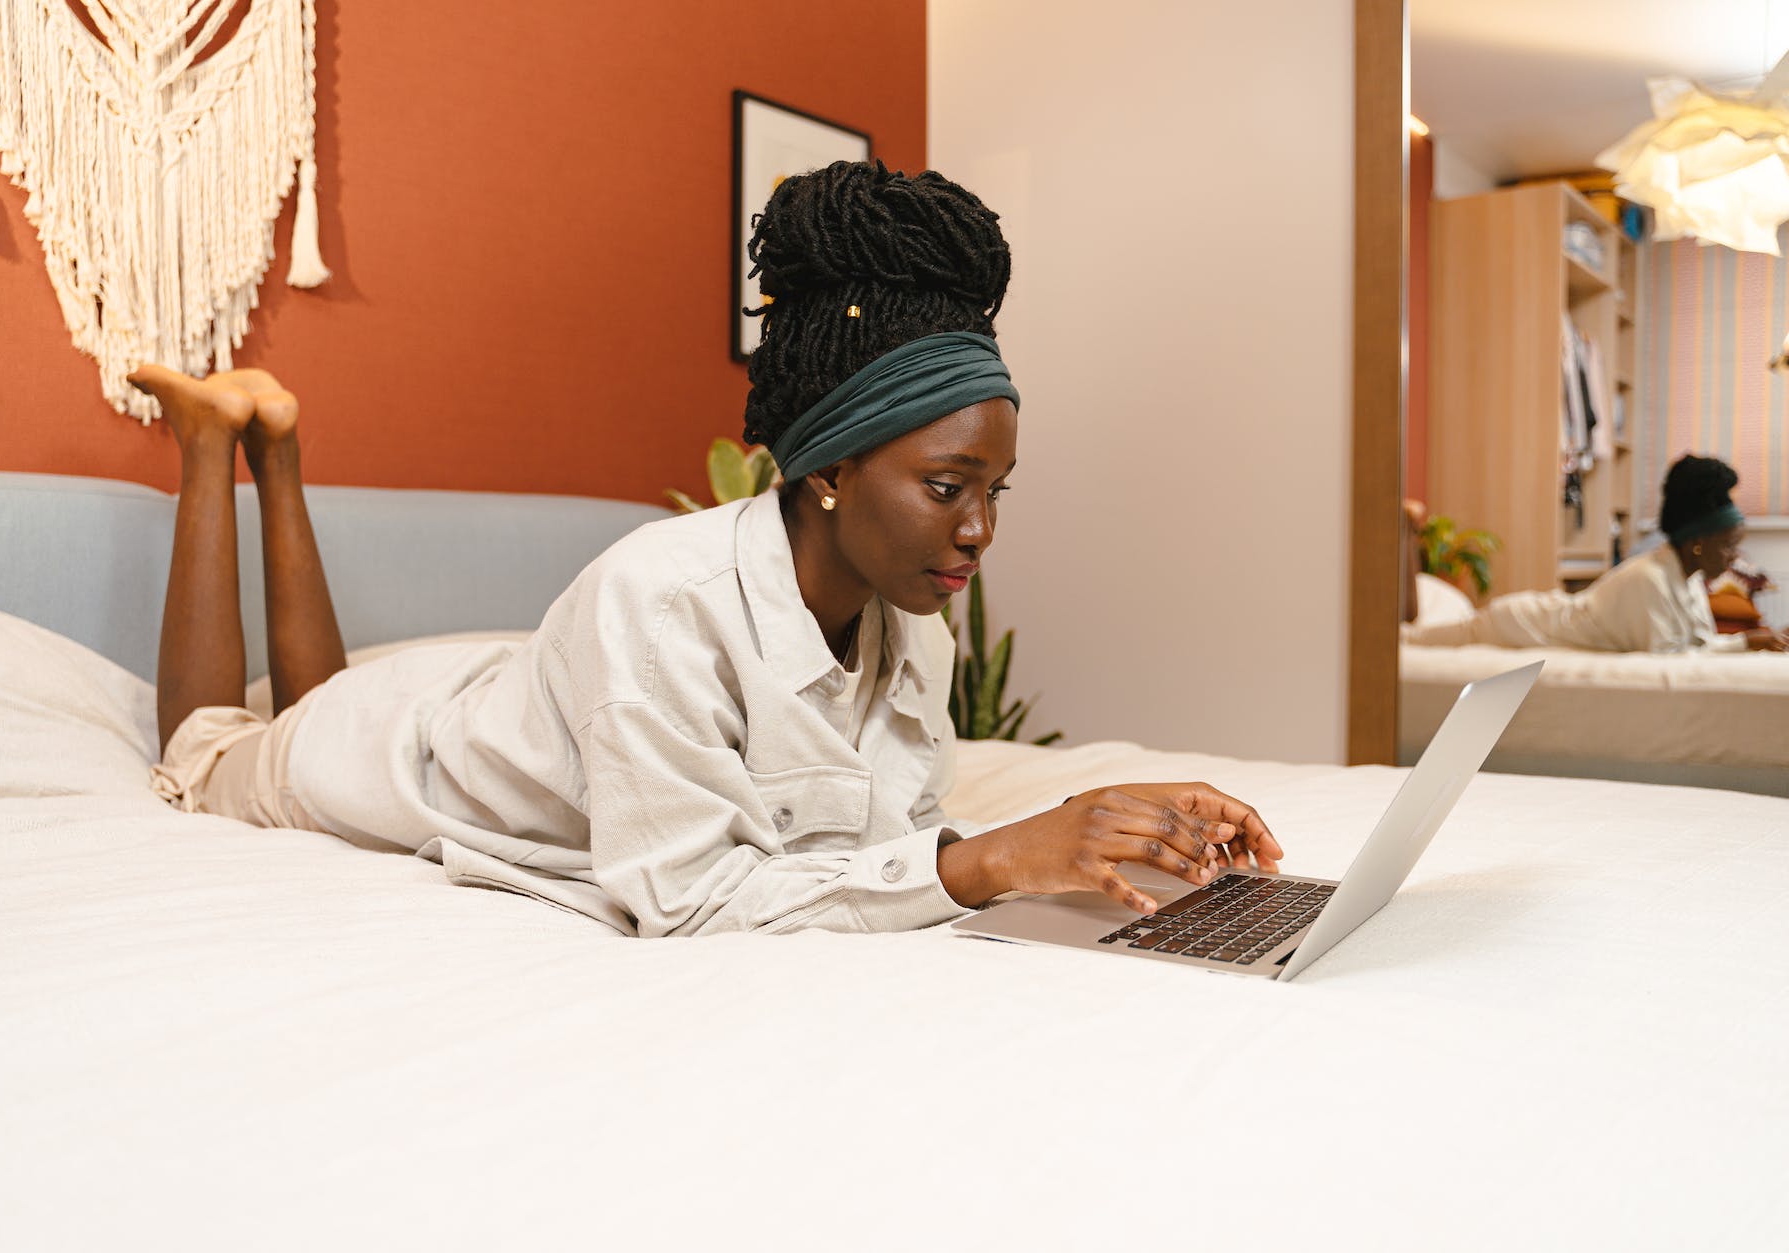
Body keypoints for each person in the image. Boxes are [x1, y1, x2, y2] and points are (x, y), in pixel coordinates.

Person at [142, 159, 1283, 938]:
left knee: (303, 691)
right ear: (829, 470)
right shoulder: (659, 597)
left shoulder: (908, 626)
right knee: (212, 745)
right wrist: (987, 859)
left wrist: (1093, 832)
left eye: (994, 491)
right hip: (384, 747)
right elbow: (686, 901)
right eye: (947, 487)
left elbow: (863, 853)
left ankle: (279, 450)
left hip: (489, 689)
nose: (977, 530)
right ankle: (216, 442)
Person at [1406, 454, 1787, 653]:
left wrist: (1752, 640)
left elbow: (1696, 645)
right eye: (1730, 545)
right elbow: (1670, 657)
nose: (1735, 558)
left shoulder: (1686, 579)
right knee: (1412, 642)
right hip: (1522, 623)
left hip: (1537, 619)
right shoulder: (1650, 579)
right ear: (1697, 543)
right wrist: (1744, 644)